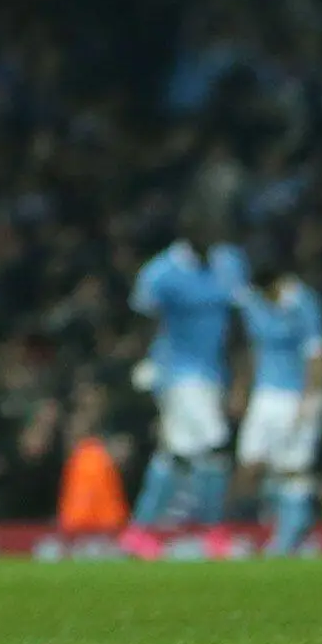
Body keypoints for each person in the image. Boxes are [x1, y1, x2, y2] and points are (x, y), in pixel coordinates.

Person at [126, 196, 247, 532]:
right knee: (214, 447)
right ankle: (214, 532)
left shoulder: (231, 264)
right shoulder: (161, 273)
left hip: (214, 374)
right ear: (189, 234)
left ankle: (140, 531)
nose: (214, 238)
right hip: (178, 372)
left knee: (176, 457)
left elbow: (238, 326)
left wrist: (240, 380)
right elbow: (143, 322)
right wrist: (149, 366)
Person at [232, 248, 322, 555]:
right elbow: (252, 348)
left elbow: (317, 353)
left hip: (296, 393)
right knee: (251, 462)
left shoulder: (303, 302)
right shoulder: (252, 302)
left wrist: (310, 399)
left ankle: (291, 537)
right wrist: (241, 389)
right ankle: (264, 528)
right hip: (265, 393)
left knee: (293, 467)